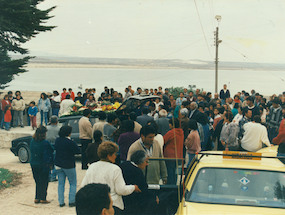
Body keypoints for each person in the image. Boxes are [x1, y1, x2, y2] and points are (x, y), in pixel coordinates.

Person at [81, 141, 141, 214]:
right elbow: (121, 190)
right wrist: (133, 187)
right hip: (112, 206)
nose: (116, 156)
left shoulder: (92, 166)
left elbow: (83, 186)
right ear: (109, 156)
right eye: (114, 154)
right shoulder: (115, 169)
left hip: (95, 205)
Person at [120, 150, 159, 215]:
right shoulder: (137, 172)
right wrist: (154, 197)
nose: (147, 164)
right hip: (133, 203)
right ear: (140, 162)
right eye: (146, 162)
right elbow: (143, 189)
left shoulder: (123, 164)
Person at [54, 125, 80, 207]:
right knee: (72, 183)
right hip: (69, 164)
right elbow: (78, 151)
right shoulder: (70, 142)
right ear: (69, 133)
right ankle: (71, 201)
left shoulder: (57, 140)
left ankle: (61, 202)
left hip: (58, 164)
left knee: (61, 183)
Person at [30, 126, 54, 204]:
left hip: (34, 163)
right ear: (44, 134)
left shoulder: (32, 141)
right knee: (44, 181)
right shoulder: (45, 142)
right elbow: (51, 150)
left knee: (37, 181)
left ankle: (37, 198)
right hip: (43, 164)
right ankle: (43, 198)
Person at [163, 118, 184, 185]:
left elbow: (163, 140)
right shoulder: (181, 132)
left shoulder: (171, 133)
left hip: (170, 156)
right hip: (178, 155)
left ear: (172, 125)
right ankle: (174, 185)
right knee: (174, 172)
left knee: (170, 172)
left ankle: (170, 186)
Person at [46, 116, 61, 182]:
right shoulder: (59, 129)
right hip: (56, 146)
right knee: (55, 162)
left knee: (48, 161)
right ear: (56, 122)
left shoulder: (46, 128)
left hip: (47, 146)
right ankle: (53, 176)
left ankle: (48, 176)